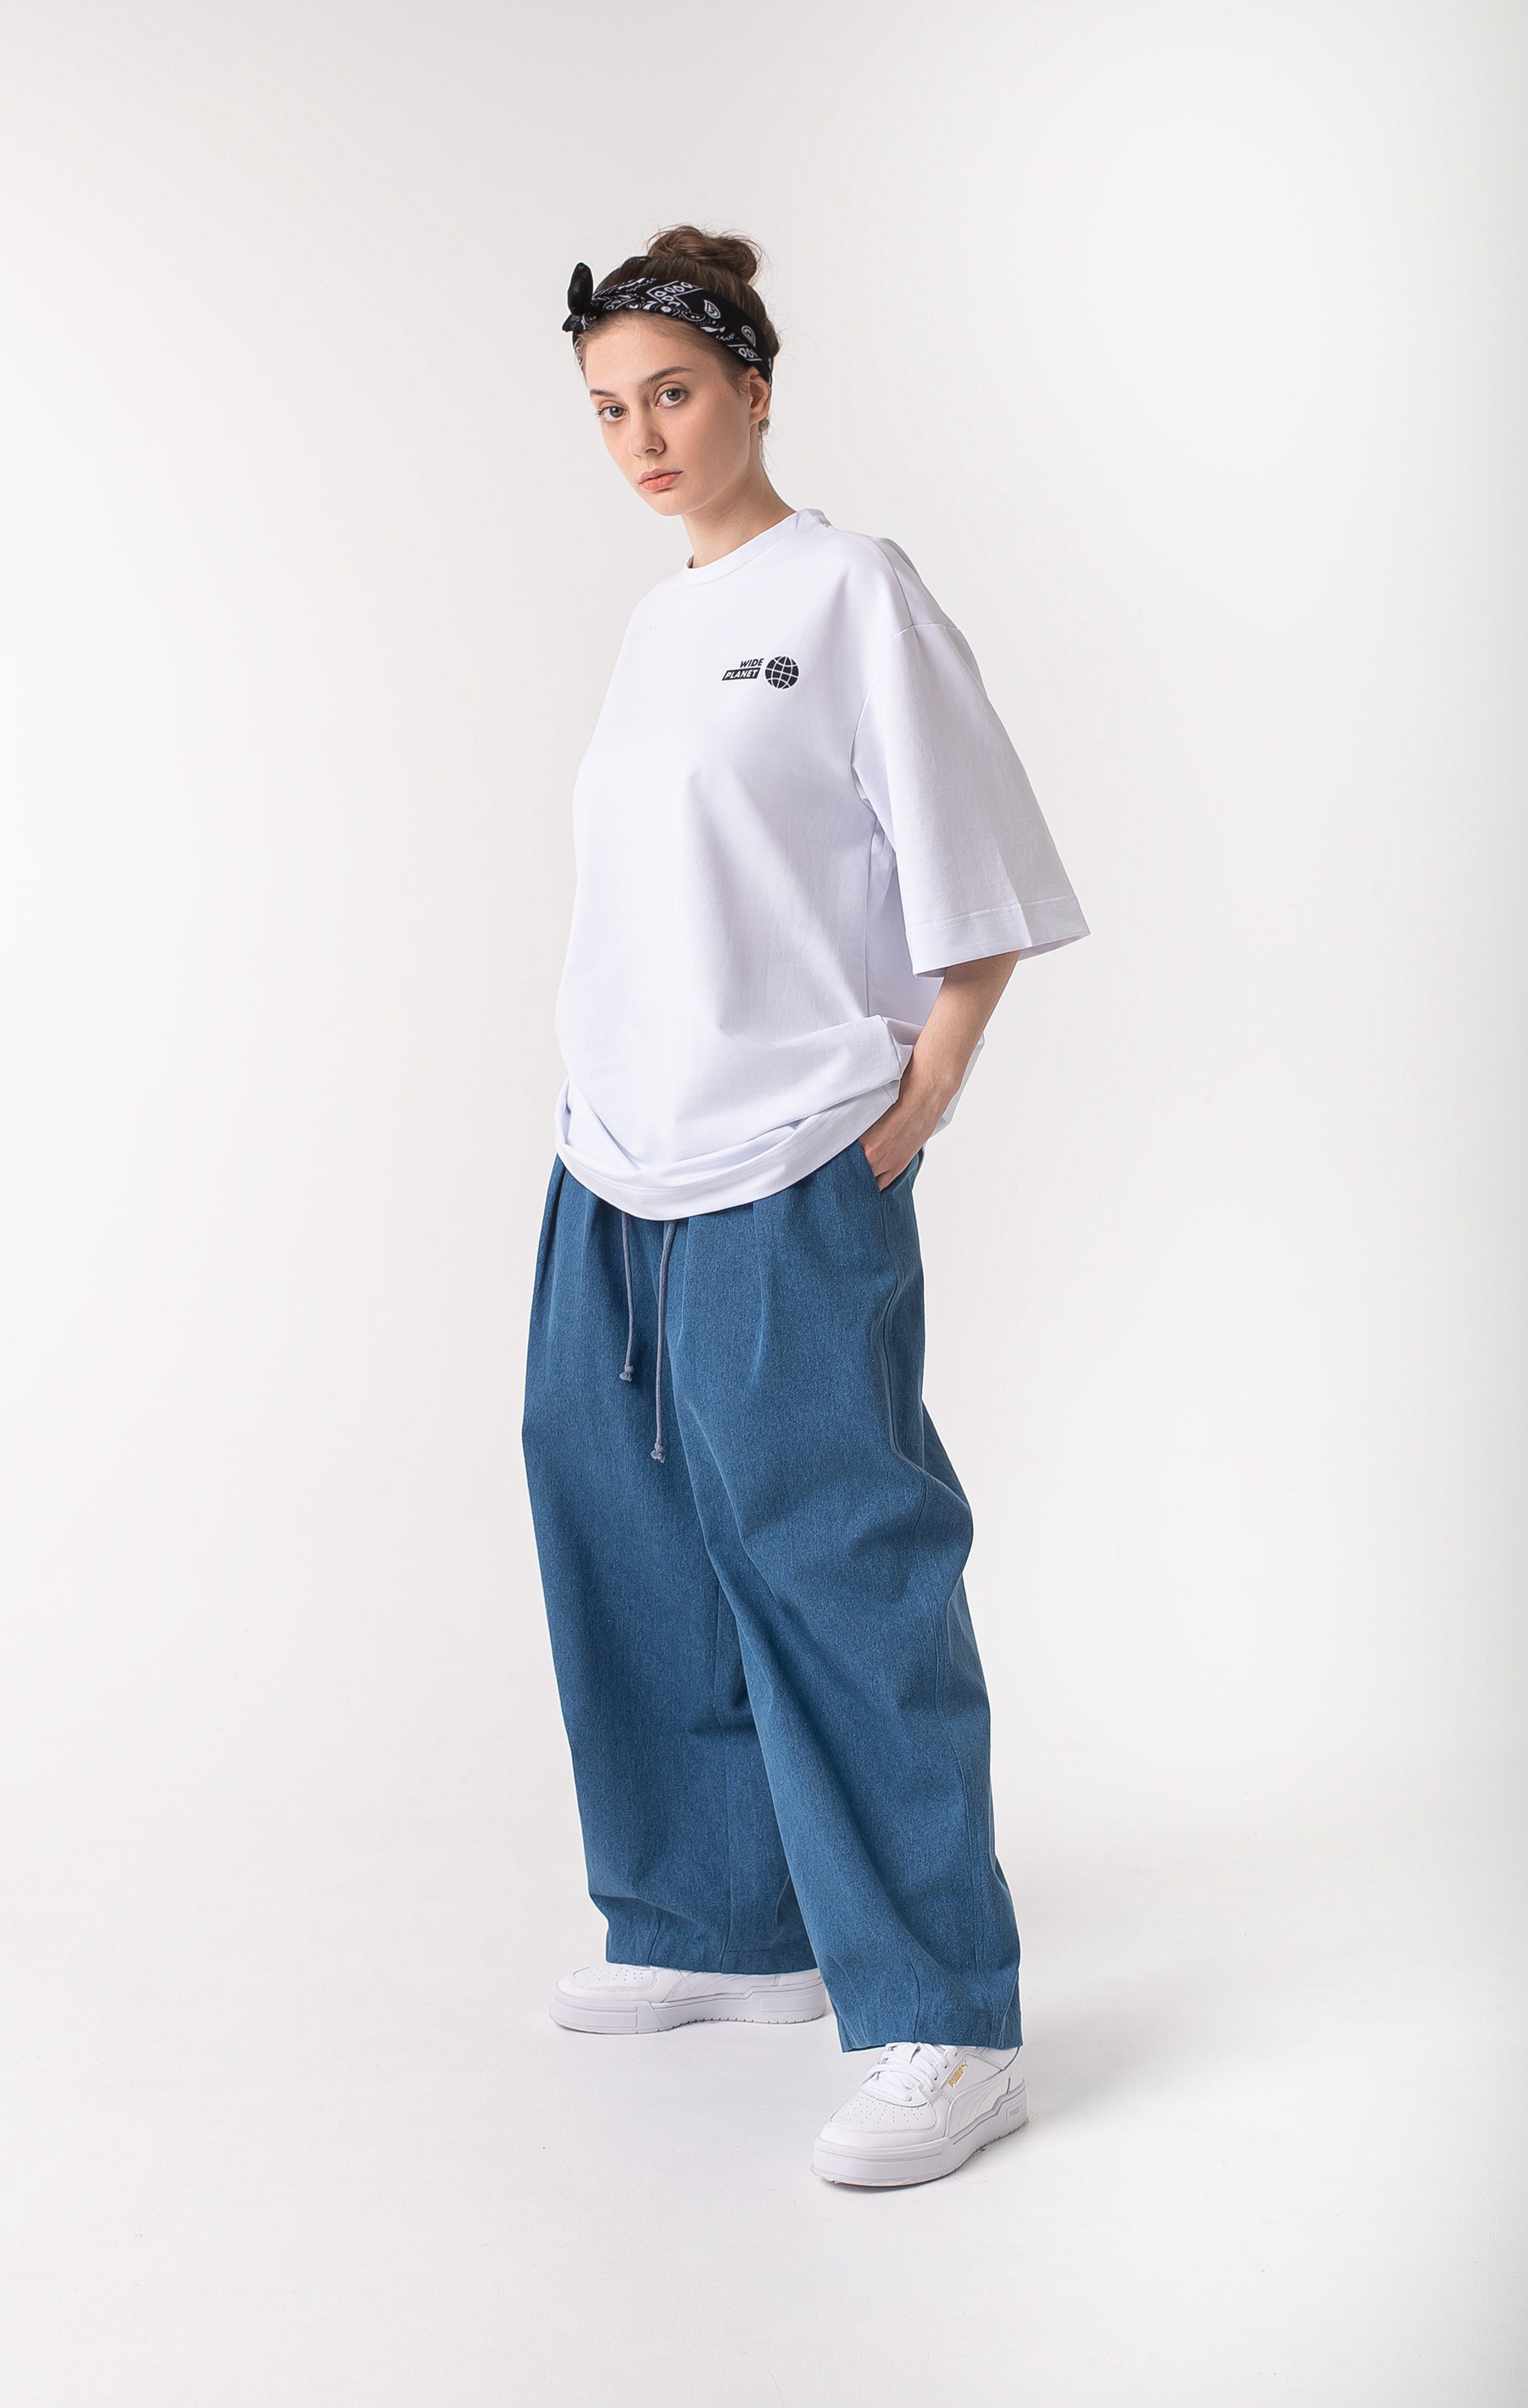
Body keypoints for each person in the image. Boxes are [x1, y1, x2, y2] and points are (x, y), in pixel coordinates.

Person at [520, 225, 1089, 2188]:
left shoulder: (853, 591)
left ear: (754, 388)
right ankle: (720, 1921)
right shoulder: (656, 622)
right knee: (623, 1528)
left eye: (672, 392)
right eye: (609, 408)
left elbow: (976, 867)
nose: (643, 437)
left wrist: (925, 1090)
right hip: (617, 1156)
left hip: (786, 1156)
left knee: (840, 1559)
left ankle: (948, 2017)